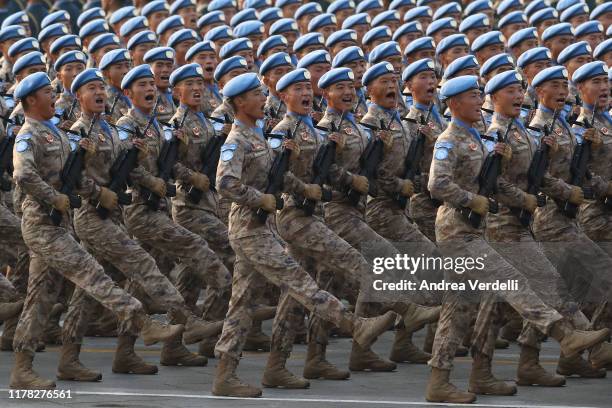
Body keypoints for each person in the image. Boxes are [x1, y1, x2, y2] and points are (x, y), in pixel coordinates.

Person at [425, 74, 609, 403]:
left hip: (476, 227)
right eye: (473, 96)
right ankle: (564, 334)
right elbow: (437, 186)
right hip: (457, 230)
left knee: (459, 310)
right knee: (513, 281)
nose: (478, 100)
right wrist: (473, 200)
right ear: (454, 104)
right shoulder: (449, 140)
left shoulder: (480, 139)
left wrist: (521, 196)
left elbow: (495, 183)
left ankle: (449, 379)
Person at [212, 72, 397, 398]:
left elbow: (277, 176)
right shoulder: (236, 140)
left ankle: (229, 374)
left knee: (241, 305)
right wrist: (260, 199)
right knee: (300, 282)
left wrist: (302, 186)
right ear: (240, 102)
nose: (262, 99)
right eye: (256, 94)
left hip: (263, 226)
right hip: (249, 230)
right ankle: (355, 324)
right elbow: (225, 184)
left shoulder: (258, 135)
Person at [9, 71, 183, 389]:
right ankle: (142, 321)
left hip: (58, 225)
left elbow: (72, 176)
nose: (53, 97)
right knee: (92, 274)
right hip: (42, 226)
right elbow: (23, 175)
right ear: (31, 100)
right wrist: (55, 198)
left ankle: (23, 368)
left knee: (40, 300)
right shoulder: (28, 135)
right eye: (48, 92)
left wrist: (95, 192)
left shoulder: (58, 134)